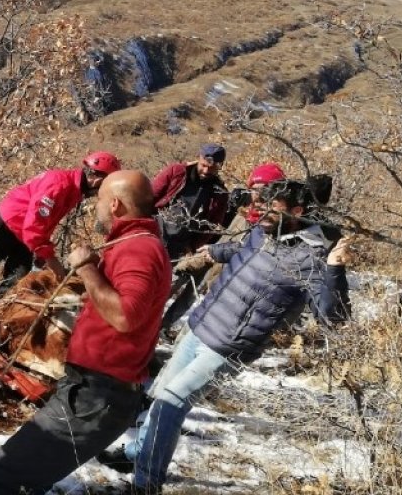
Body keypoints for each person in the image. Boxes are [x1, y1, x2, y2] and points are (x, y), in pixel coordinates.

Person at [102, 178, 351, 494]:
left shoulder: (311, 257)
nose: (260, 210)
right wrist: (213, 252)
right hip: (201, 325)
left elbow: (333, 316)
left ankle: (145, 484)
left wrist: (334, 270)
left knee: (171, 403)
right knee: (161, 394)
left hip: (228, 346)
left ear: (297, 211)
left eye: (271, 206)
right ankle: (137, 455)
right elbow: (242, 248)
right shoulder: (264, 232)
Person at [0, 170, 172, 495]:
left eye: (101, 202)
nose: (96, 209)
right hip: (91, 391)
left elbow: (124, 316)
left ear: (115, 204)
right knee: (22, 479)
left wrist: (86, 268)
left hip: (96, 397)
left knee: (0, 472)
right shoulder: (134, 244)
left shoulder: (139, 251)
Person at [0, 151, 122, 324]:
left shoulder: (74, 190)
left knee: (15, 282)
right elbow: (34, 225)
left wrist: (41, 255)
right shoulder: (60, 183)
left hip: (23, 237)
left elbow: (44, 223)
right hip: (3, 227)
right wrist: (51, 259)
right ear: (97, 179)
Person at [161, 161, 286, 333]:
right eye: (255, 188)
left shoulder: (274, 221)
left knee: (193, 300)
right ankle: (153, 326)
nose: (260, 194)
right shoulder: (243, 206)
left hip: (224, 274)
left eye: (266, 189)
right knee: (170, 287)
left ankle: (164, 328)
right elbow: (217, 226)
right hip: (205, 254)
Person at [152, 143, 229, 333]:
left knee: (160, 291)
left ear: (219, 166)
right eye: (204, 164)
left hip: (180, 247)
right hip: (154, 234)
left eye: (212, 168)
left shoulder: (219, 192)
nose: (206, 170)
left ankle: (151, 328)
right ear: (199, 157)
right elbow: (152, 196)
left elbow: (212, 225)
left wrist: (192, 245)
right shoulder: (177, 172)